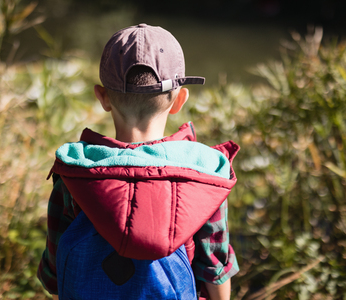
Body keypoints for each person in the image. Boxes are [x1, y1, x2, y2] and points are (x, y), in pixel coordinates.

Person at [37, 24, 240, 300]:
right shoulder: (203, 174)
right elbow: (215, 272)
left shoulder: (76, 173)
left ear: (103, 97)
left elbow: (54, 275)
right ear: (180, 99)